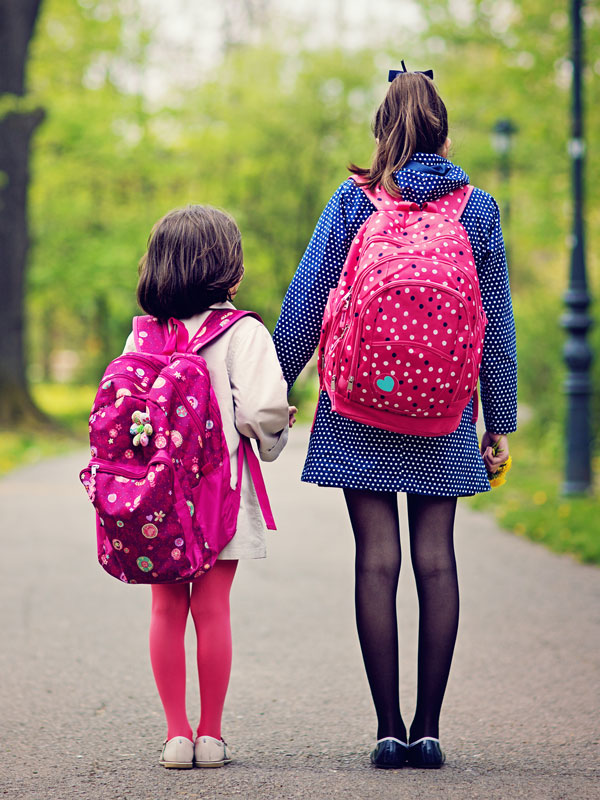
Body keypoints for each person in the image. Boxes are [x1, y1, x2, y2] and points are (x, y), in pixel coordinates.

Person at [273, 67, 517, 769]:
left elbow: (304, 300)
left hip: (358, 405)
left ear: (383, 129)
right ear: (442, 130)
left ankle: (387, 730)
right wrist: (497, 416)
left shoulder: (353, 202)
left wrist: (270, 390)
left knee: (375, 562)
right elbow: (495, 320)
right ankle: (429, 730)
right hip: (444, 409)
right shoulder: (479, 207)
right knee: (436, 562)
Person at [124, 205, 293, 769]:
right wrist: (274, 438)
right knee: (213, 608)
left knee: (165, 607)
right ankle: (212, 736)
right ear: (230, 271)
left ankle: (175, 735)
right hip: (221, 493)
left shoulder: (144, 333)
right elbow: (263, 410)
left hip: (155, 499)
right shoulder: (244, 332)